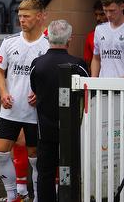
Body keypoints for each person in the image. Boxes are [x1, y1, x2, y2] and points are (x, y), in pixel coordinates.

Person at [0, 0, 49, 202]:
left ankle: (35, 197)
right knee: (0, 153)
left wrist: (41, 94)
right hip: (10, 108)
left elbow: (52, 78)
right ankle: (13, 195)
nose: (22, 20)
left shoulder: (47, 45)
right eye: (19, 16)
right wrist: (3, 93)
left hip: (35, 112)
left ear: (40, 16)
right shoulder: (9, 42)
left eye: (26, 16)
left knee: (35, 157)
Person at [30, 19, 88, 202]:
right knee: (70, 170)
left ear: (48, 37)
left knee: (45, 173)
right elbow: (88, 92)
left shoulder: (37, 64)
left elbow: (34, 89)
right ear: (69, 39)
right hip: (71, 131)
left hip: (45, 130)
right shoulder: (78, 64)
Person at [91, 0, 124, 78]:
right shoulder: (100, 29)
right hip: (103, 86)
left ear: (122, 6)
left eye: (112, 10)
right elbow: (96, 58)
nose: (108, 15)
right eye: (105, 11)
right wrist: (93, 81)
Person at [83, 0, 108, 70]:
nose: (98, 18)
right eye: (96, 15)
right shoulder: (91, 35)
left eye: (102, 14)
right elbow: (88, 62)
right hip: (98, 77)